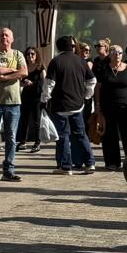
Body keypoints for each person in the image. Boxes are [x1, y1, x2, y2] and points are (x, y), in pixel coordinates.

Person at [44, 35, 96, 175]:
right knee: (81, 134)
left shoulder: (55, 62)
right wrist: (86, 95)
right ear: (71, 47)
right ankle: (90, 163)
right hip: (77, 104)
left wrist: (44, 99)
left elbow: (49, 84)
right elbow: (92, 80)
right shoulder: (81, 61)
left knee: (63, 136)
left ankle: (66, 166)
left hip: (60, 105)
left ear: (59, 47)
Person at [0, 27, 28, 183]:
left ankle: (8, 171)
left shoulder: (18, 54)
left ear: (12, 39)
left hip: (14, 102)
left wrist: (4, 77)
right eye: (1, 35)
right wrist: (12, 70)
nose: (4, 37)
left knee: (11, 138)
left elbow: (24, 72)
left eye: (7, 35)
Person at [97, 44, 127, 172]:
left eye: (120, 53)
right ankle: (112, 162)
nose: (118, 55)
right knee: (109, 136)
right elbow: (97, 88)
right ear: (110, 54)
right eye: (114, 52)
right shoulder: (104, 69)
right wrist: (98, 106)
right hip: (108, 108)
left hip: (126, 108)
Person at [17, 46, 45, 153]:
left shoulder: (40, 68)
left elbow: (43, 83)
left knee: (36, 121)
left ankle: (37, 143)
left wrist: (31, 83)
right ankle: (23, 141)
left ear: (36, 55)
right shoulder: (24, 68)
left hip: (37, 97)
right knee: (24, 120)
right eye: (28, 54)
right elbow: (18, 81)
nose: (30, 56)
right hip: (26, 96)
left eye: (32, 54)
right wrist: (23, 83)